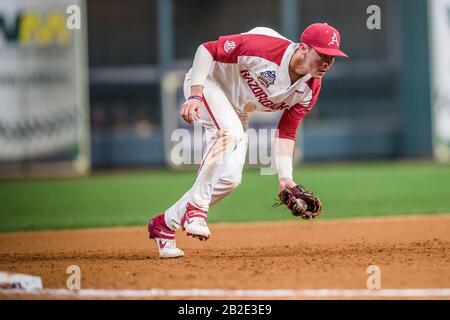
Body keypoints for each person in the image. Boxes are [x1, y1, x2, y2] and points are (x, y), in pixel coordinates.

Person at [147, 23, 348, 258]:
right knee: (230, 133)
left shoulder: (310, 88)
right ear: (303, 48)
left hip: (236, 107)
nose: (327, 63)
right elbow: (206, 49)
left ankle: (164, 224)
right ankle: (196, 209)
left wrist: (285, 178)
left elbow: (287, 131)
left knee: (230, 179)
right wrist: (195, 94)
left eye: (332, 58)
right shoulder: (266, 49)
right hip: (210, 83)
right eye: (322, 55)